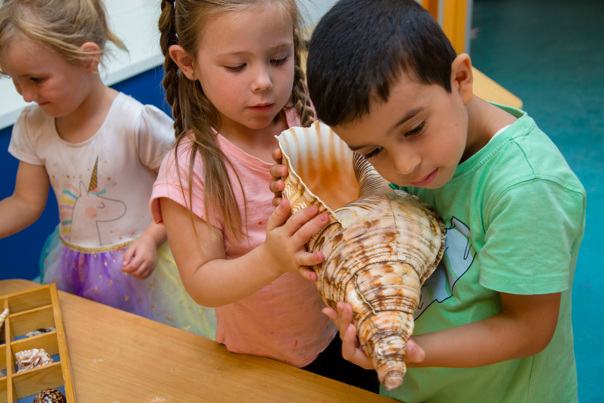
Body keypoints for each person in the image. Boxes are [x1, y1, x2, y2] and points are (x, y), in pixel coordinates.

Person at [269, 0, 585, 401]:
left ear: (461, 78)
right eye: (372, 152)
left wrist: (405, 352)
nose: (405, 165)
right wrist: (301, 189)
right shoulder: (423, 153)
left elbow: (529, 328)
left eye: (415, 129)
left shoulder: (526, 188)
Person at [151, 0, 380, 393]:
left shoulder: (307, 118)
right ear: (187, 63)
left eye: (278, 58)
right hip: (259, 363)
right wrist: (272, 259)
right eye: (237, 66)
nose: (263, 82)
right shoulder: (191, 168)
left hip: (341, 335)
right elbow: (202, 281)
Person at [0, 0, 215, 339]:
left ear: (88, 58)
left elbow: (188, 189)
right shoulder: (32, 125)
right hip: (75, 269)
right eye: (14, 81)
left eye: (35, 79)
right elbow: (25, 201)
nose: (26, 95)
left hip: (146, 269)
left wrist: (150, 238)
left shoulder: (134, 123)